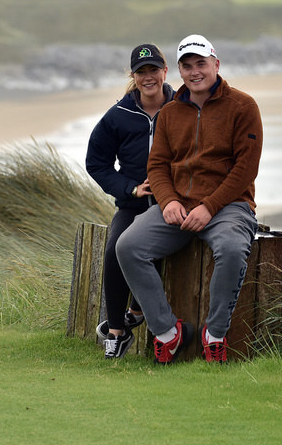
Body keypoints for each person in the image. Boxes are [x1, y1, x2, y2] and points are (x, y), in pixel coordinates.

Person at [116, 34, 262, 364]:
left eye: (201, 64)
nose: (195, 72)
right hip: (178, 206)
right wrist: (167, 201)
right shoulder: (170, 113)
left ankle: (215, 334)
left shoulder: (243, 106)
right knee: (128, 246)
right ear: (179, 71)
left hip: (229, 206)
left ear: (216, 65)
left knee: (231, 248)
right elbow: (156, 165)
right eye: (187, 66)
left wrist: (209, 207)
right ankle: (168, 333)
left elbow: (246, 168)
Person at [85, 44, 175, 359]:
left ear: (165, 71)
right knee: (115, 249)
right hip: (133, 206)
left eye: (154, 70)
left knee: (160, 250)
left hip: (173, 205)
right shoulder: (118, 116)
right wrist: (130, 189)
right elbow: (96, 163)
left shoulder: (184, 108)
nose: (148, 77)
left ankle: (137, 310)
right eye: (141, 72)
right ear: (133, 76)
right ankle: (116, 331)